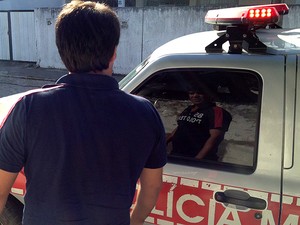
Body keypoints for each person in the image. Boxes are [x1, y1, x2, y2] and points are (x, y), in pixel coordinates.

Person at [0, 1, 167, 225]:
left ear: (61, 51)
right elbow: (152, 188)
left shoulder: (28, 109)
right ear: (114, 52)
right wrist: (134, 220)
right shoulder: (145, 113)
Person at [167, 87, 231, 161]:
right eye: (191, 93)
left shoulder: (216, 112)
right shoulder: (189, 109)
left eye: (200, 93)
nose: (195, 96)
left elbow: (215, 138)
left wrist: (197, 160)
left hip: (197, 160)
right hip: (177, 155)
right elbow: (181, 126)